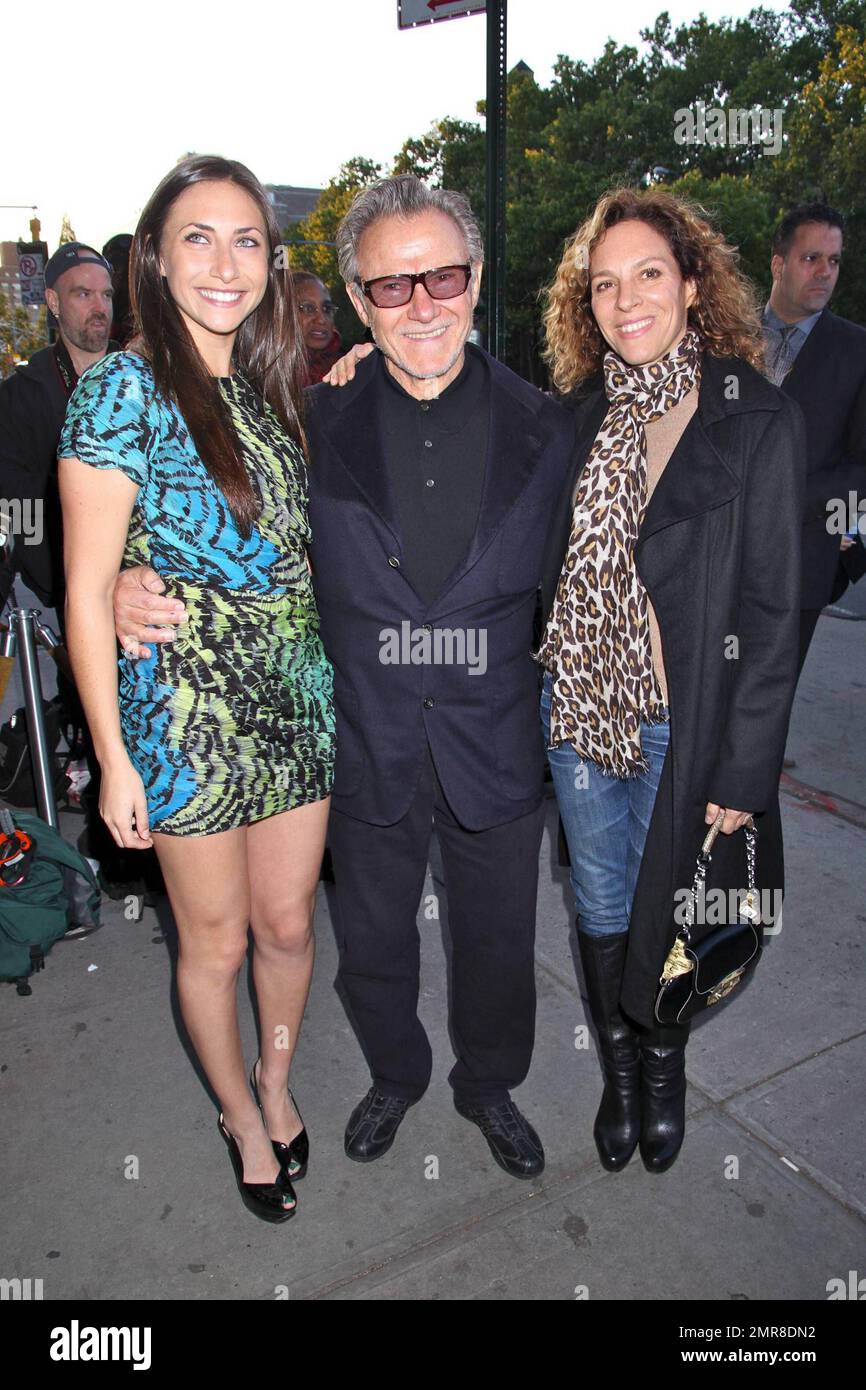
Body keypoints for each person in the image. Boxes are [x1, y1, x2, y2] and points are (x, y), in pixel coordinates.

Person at [113, 174, 576, 1181]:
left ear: (476, 278)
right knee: (371, 939)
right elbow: (210, 536)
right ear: (359, 302)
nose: (421, 305)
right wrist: (120, 581)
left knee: (497, 940)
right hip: (357, 738)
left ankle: (489, 1081)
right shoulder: (302, 425)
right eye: (391, 286)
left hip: (492, 737)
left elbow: (597, 585)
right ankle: (395, 1073)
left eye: (441, 277)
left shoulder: (548, 429)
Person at [58, 155, 335, 1222]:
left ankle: (275, 1075)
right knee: (212, 943)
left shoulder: (273, 387)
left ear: (270, 263)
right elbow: (87, 592)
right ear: (156, 259)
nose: (226, 262)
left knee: (290, 929)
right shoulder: (122, 389)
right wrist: (113, 760)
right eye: (199, 238)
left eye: (248, 240)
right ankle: (236, 1111)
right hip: (185, 718)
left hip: (297, 702)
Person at [539, 186, 806, 1174]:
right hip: (576, 714)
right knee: (602, 904)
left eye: (647, 273)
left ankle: (662, 1062)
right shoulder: (574, 422)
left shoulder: (751, 419)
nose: (626, 298)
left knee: (672, 913)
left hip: (681, 728)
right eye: (603, 283)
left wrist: (743, 771)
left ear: (692, 285)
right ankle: (619, 1078)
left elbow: (774, 613)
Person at [762, 203, 866, 670]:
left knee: (765, 717)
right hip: (709, 562)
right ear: (779, 264)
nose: (825, 272)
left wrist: (787, 496)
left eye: (835, 260)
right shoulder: (722, 335)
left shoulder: (857, 351)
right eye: (811, 259)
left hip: (799, 568)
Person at [291, 271, 343, 385]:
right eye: (308, 308)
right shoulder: (263, 375)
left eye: (327, 308)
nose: (321, 319)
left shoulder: (348, 370)